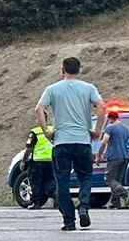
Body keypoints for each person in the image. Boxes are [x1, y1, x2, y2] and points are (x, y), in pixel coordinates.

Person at [36, 57, 103, 231]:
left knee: (62, 182)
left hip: (62, 142)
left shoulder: (52, 89)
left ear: (62, 69)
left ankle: (69, 220)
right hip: (82, 141)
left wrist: (47, 132)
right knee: (85, 177)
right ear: (79, 70)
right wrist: (97, 131)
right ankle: (84, 207)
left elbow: (39, 109)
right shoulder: (88, 88)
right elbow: (102, 107)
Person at [96, 111, 129, 208]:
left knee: (110, 179)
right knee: (117, 181)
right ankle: (115, 203)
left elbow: (104, 142)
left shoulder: (110, 128)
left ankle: (124, 192)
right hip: (125, 156)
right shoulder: (127, 130)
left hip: (114, 156)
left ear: (111, 119)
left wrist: (99, 155)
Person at [19, 123, 55, 209]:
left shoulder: (35, 132)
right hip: (51, 161)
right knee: (51, 182)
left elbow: (29, 148)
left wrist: (24, 160)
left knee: (36, 182)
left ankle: (36, 203)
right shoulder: (53, 130)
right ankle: (57, 200)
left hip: (37, 161)